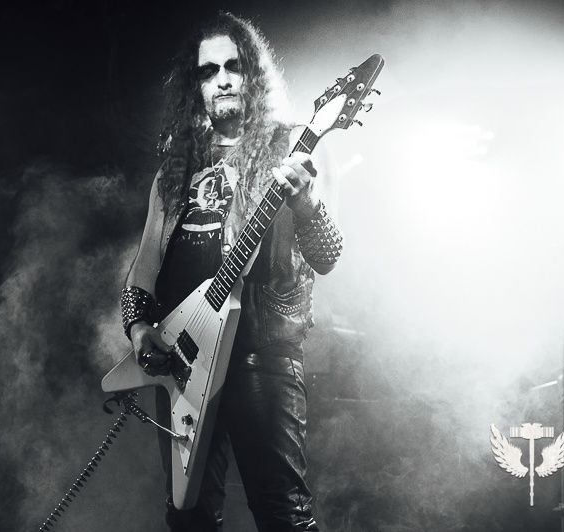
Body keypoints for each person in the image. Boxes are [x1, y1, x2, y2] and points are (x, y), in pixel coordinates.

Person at [120, 12, 343, 532]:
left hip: (261, 357)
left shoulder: (296, 145)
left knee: (283, 514)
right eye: (207, 71)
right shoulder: (177, 166)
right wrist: (138, 326)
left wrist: (306, 204)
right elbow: (146, 263)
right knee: (188, 516)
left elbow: (328, 255)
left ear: (254, 74)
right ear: (194, 86)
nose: (221, 79)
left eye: (233, 66)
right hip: (185, 360)